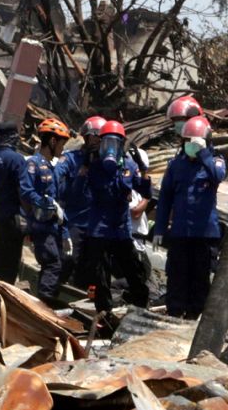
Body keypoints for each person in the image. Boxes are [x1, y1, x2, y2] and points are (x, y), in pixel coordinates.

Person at [153, 115, 226, 317]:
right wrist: (159, 229)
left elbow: (218, 176)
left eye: (193, 141)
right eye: (187, 141)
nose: (189, 146)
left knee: (199, 279)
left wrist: (203, 154)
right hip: (180, 232)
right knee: (176, 276)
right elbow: (165, 198)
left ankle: (194, 316)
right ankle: (174, 313)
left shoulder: (215, 161)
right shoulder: (176, 165)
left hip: (204, 234)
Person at [85, 120, 150, 316]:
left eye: (115, 143)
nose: (110, 147)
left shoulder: (129, 165)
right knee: (100, 274)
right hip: (100, 227)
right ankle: (104, 312)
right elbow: (101, 190)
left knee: (133, 269)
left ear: (122, 145)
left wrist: (142, 169)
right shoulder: (95, 166)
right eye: (107, 142)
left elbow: (144, 190)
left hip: (120, 228)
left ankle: (141, 306)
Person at [0, 122, 36, 284]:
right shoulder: (16, 159)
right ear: (13, 137)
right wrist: (30, 217)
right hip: (10, 221)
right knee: (8, 267)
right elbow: (23, 191)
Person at [54, 115, 105, 289]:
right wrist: (82, 173)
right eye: (95, 137)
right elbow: (57, 178)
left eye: (101, 138)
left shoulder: (107, 163)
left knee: (89, 271)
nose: (98, 141)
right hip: (74, 222)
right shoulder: (71, 159)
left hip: (96, 226)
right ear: (86, 137)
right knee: (67, 261)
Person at [25, 118, 71, 301]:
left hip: (53, 228)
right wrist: (48, 204)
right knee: (52, 264)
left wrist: (65, 232)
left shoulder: (52, 168)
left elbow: (58, 203)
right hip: (40, 227)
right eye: (61, 143)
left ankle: (45, 301)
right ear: (52, 141)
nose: (62, 149)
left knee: (56, 264)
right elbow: (27, 191)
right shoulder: (33, 164)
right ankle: (43, 305)